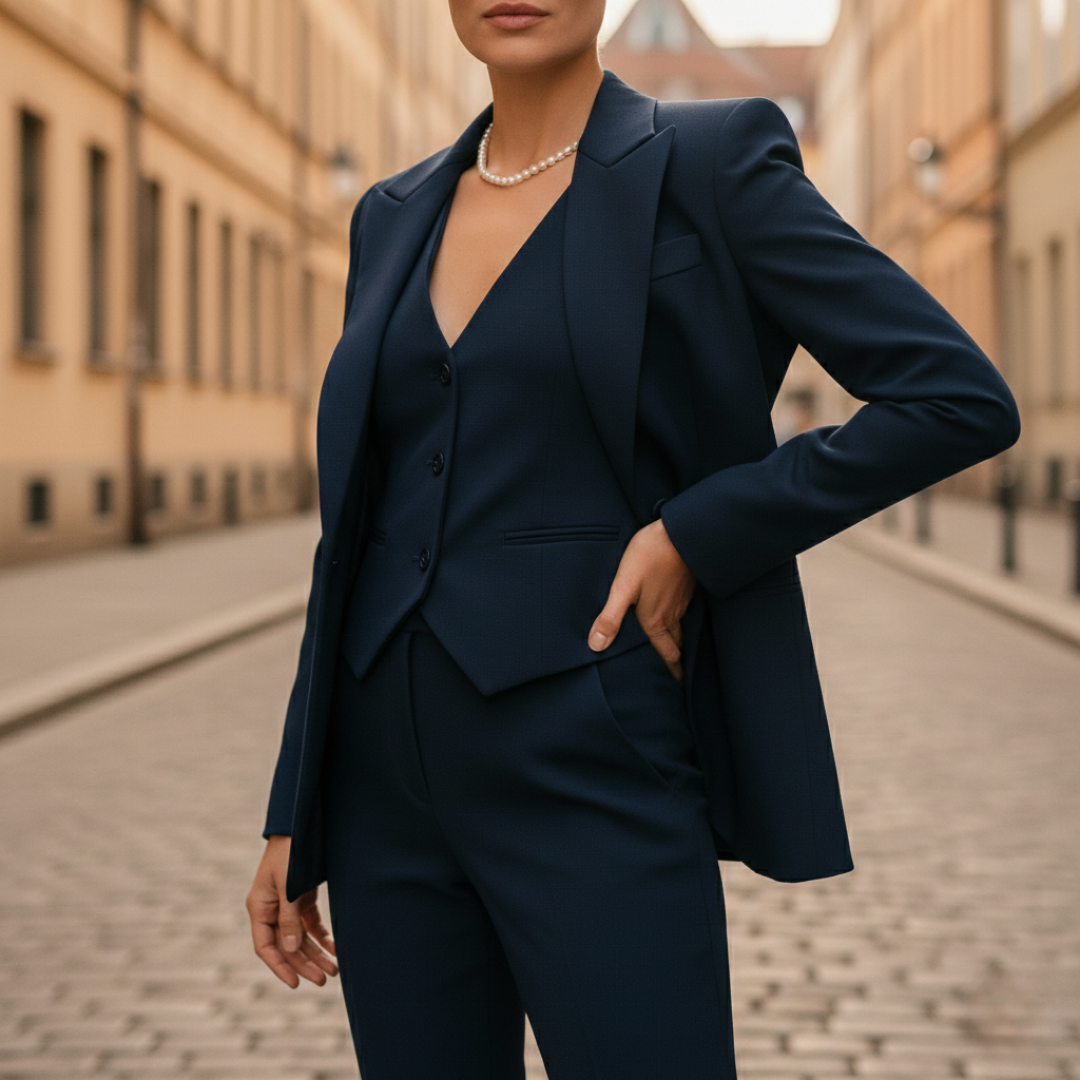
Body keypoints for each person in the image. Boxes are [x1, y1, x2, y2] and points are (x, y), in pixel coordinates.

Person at [246, 2, 1020, 1076]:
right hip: (386, 792)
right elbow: (357, 539)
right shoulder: (391, 212)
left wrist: (698, 534)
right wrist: (300, 805)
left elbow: (954, 397)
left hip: (590, 754)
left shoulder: (710, 164)